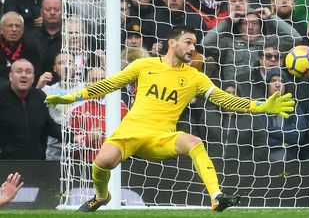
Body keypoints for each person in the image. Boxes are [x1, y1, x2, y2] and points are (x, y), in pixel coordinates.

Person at [44, 26, 295, 212]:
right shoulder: (144, 65)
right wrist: (72, 97)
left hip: (161, 137)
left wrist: (259, 106)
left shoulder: (196, 77)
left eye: (195, 44)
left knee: (194, 141)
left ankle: (216, 196)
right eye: (188, 42)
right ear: (172, 43)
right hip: (130, 132)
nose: (192, 48)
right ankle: (101, 196)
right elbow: (109, 84)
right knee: (103, 161)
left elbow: (223, 99)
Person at [0, 59, 64, 160]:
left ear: (33, 78)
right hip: (6, 164)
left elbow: (49, 125)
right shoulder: (2, 97)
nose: (24, 75)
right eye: (19, 71)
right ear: (11, 76)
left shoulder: (40, 96)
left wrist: (73, 137)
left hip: (36, 163)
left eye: (28, 72)